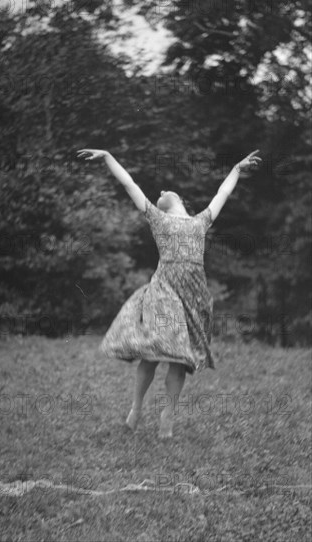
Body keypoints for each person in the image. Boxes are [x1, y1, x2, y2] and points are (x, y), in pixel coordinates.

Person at [76, 148, 262, 438]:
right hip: (164, 292)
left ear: (180, 200)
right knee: (153, 353)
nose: (161, 190)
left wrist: (237, 169)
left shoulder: (201, 221)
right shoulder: (158, 219)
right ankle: (136, 409)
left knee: (180, 359)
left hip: (194, 296)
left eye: (167, 189)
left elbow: (222, 193)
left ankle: (168, 415)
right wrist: (108, 156)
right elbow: (130, 185)